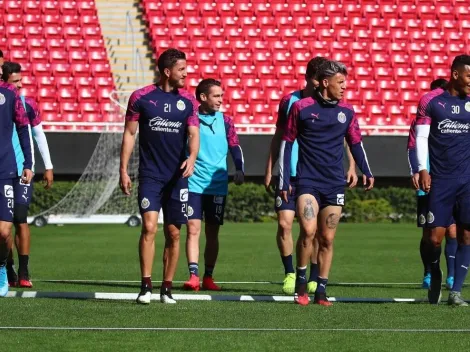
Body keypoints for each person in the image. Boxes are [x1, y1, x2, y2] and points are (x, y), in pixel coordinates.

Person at [279, 60, 374, 306]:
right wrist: (283, 179)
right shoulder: (301, 107)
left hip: (334, 183)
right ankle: (301, 282)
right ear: (325, 83)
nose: (344, 87)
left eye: (345, 82)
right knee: (308, 231)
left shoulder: (348, 112)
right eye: (340, 82)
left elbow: (355, 143)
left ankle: (321, 289)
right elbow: (286, 142)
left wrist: (367, 170)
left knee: (327, 238)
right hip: (307, 181)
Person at [264, 57, 358, 295]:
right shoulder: (291, 102)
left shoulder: (335, 107)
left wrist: (352, 165)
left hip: (317, 176)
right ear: (311, 79)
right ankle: (290, 274)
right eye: (316, 78)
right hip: (291, 174)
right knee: (286, 224)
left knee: (316, 230)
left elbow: (348, 137)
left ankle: (315, 278)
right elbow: (280, 136)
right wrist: (270, 168)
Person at [119, 48, 200, 304]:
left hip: (178, 178)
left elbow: (194, 134)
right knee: (150, 227)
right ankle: (145, 286)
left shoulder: (188, 101)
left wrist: (192, 157)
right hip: (151, 176)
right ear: (167, 71)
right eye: (181, 69)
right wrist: (123, 169)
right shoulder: (141, 97)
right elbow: (130, 134)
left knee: (174, 233)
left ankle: (167, 288)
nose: (186, 74)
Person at [416, 55, 470, 306]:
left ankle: (456, 291)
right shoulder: (432, 102)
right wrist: (422, 168)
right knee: (433, 239)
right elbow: (421, 137)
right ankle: (435, 270)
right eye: (469, 76)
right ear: (456, 75)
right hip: (441, 180)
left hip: (467, 180)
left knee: (466, 236)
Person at [183, 79, 244, 291]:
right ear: (202, 97)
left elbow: (235, 146)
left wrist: (239, 168)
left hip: (217, 185)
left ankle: (208, 277)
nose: (220, 100)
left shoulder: (226, 121)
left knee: (212, 232)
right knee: (193, 228)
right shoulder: (190, 119)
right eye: (216, 96)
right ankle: (193, 276)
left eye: (221, 95)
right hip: (193, 182)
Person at [1, 61, 54, 288]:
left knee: (20, 217)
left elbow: (38, 136)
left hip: (21, 169)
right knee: (5, 227)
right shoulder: (7, 99)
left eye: (21, 81)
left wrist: (47, 166)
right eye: (16, 81)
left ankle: (23, 271)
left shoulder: (28, 104)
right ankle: (8, 267)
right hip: (5, 170)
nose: (20, 85)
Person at [408, 78, 457, 291]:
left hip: (452, 178)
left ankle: (452, 275)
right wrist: (416, 171)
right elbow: (412, 147)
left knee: (453, 231)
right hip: (427, 181)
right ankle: (428, 271)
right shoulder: (421, 119)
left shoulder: (455, 116)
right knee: (429, 233)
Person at [0, 78, 34, 297]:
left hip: (5, 171)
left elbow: (23, 128)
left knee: (4, 232)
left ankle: (2, 267)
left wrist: (29, 163)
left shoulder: (10, 94)